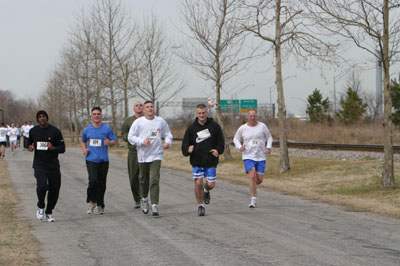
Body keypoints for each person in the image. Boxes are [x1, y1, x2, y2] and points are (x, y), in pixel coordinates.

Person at [128, 101, 173, 216]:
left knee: (154, 179)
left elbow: (168, 134)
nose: (150, 109)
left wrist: (168, 142)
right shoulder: (138, 122)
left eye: (151, 107)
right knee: (143, 179)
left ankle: (154, 205)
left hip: (156, 154)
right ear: (143, 110)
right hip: (143, 155)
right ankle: (144, 198)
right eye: (147, 107)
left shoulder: (160, 121)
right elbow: (130, 137)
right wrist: (142, 141)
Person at [181, 104, 225, 216]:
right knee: (198, 183)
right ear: (197, 113)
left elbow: (221, 143)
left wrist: (218, 150)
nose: (201, 115)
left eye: (203, 113)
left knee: (210, 184)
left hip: (210, 160)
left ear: (207, 113)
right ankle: (200, 205)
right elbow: (184, 147)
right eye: (199, 113)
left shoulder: (215, 127)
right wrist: (188, 149)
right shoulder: (191, 129)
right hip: (197, 160)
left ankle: (206, 191)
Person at [28, 110, 65, 222]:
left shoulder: (55, 131)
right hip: (39, 164)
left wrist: (53, 148)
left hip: (53, 165)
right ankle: (40, 206)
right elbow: (29, 144)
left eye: (43, 116)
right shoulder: (33, 131)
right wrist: (30, 147)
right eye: (39, 117)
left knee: (55, 189)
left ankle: (49, 212)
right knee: (42, 186)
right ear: (37, 119)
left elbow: (62, 148)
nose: (42, 118)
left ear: (47, 118)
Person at [233, 109, 273, 208]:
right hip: (248, 155)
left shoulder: (262, 126)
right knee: (252, 175)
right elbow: (236, 139)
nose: (252, 118)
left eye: (254, 116)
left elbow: (269, 138)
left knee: (259, 180)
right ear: (247, 117)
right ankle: (253, 199)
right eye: (250, 116)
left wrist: (268, 147)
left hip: (260, 156)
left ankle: (253, 185)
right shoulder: (243, 128)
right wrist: (239, 146)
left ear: (256, 116)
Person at [81, 107, 116, 215]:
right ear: (91, 116)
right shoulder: (87, 130)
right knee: (93, 181)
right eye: (94, 114)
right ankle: (92, 202)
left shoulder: (107, 129)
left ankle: (100, 204)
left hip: (103, 160)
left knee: (102, 183)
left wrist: (109, 143)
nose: (96, 115)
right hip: (91, 159)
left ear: (101, 116)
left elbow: (113, 140)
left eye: (98, 114)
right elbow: (83, 141)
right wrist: (84, 149)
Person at [121, 101, 144, 209]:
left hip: (145, 151)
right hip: (133, 152)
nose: (139, 107)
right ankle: (137, 199)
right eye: (136, 105)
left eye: (140, 105)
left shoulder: (147, 120)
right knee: (134, 176)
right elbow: (123, 135)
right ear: (133, 108)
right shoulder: (129, 121)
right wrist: (130, 138)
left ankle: (144, 197)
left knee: (145, 176)